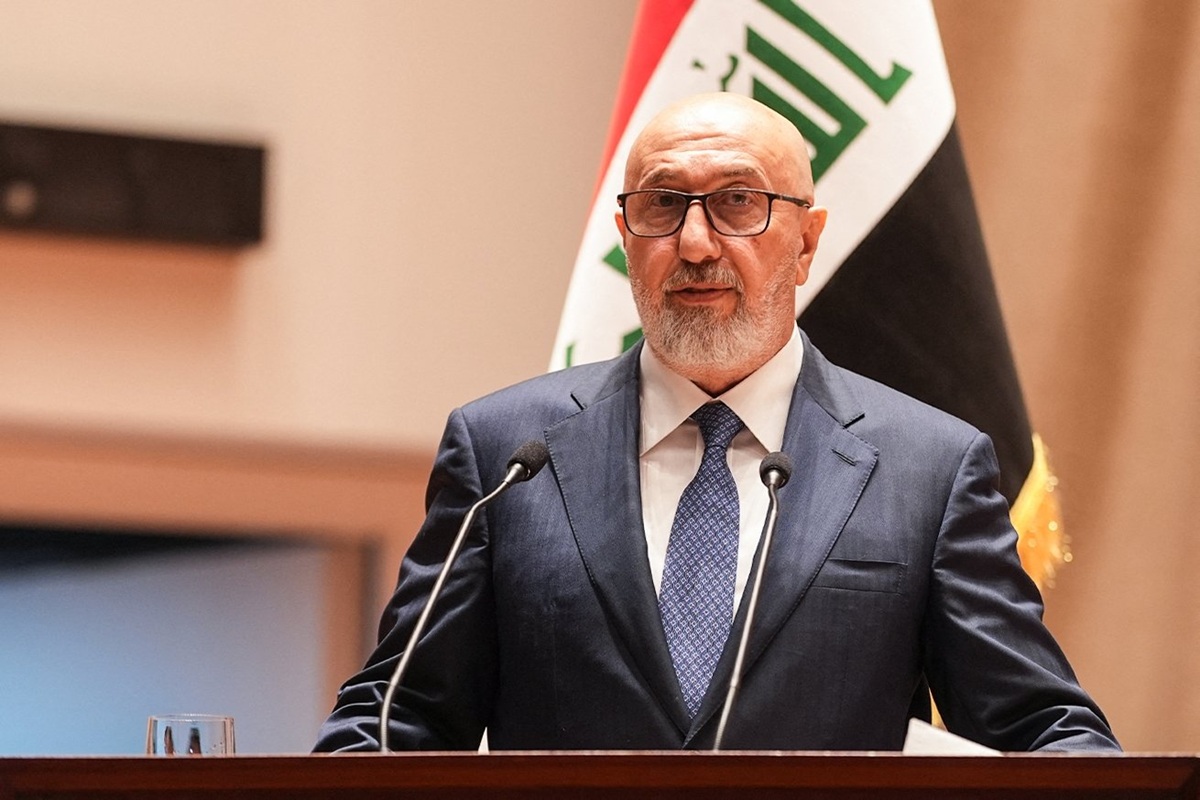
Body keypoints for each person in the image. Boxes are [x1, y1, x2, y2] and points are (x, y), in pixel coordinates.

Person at [314, 92, 1119, 752]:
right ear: (627, 239)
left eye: (739, 203)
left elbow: (1041, 729)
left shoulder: (927, 469)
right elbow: (393, 722)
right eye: (663, 206)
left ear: (806, 243)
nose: (696, 242)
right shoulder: (505, 455)